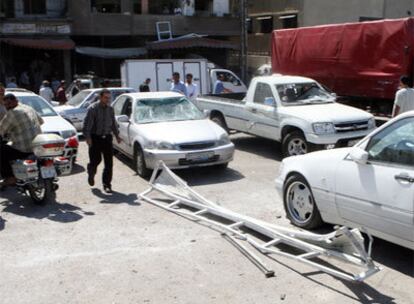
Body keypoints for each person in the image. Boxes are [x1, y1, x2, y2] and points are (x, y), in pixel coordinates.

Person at [0, 93, 44, 186]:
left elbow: (1, 129)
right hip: (38, 146)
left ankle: (10, 177)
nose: (8, 107)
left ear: (15, 101)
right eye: (6, 105)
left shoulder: (12, 113)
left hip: (24, 149)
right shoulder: (28, 108)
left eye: (9, 104)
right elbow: (41, 121)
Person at [83, 89, 121, 193]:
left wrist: (117, 136)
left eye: (109, 98)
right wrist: (88, 138)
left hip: (107, 138)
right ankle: (91, 171)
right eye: (106, 97)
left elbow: (113, 123)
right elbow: (87, 125)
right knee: (96, 160)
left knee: (109, 163)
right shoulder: (93, 109)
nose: (108, 100)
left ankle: (107, 184)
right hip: (95, 138)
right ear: (100, 97)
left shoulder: (110, 109)